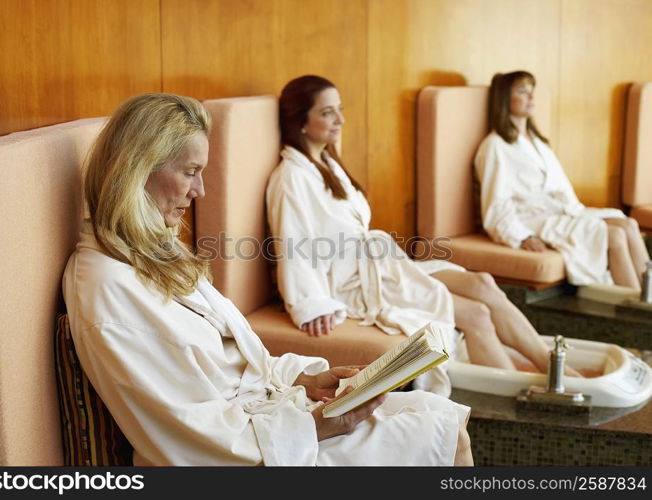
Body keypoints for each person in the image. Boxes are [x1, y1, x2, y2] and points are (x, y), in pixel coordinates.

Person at [62, 92, 472, 466]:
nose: (200, 191)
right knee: (443, 434)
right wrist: (316, 426)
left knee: (438, 412)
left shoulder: (150, 251)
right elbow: (186, 432)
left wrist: (305, 379)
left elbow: (235, 363)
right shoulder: (109, 291)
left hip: (270, 418)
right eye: (190, 172)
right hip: (251, 454)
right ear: (138, 170)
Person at [266, 75, 581, 389]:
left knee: (483, 284)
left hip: (381, 267)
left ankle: (552, 366)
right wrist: (311, 303)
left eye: (340, 109)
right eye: (327, 113)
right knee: (475, 315)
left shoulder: (326, 164)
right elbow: (291, 245)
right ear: (301, 121)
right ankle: (520, 396)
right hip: (353, 286)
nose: (341, 120)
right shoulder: (292, 178)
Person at [475, 70, 650, 289]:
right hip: (532, 220)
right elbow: (495, 206)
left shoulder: (538, 142)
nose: (531, 97)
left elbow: (562, 188)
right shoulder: (495, 147)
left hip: (562, 212)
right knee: (613, 235)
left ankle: (649, 296)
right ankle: (637, 311)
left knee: (629, 225)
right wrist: (521, 237)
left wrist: (579, 214)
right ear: (503, 99)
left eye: (532, 91)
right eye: (522, 91)